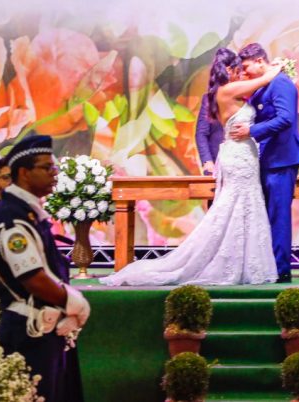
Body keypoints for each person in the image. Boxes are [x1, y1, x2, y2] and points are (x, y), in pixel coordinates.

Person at [99, 48, 280, 287]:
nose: (241, 73)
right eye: (238, 69)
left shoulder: (228, 92)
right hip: (238, 158)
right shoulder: (227, 91)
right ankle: (221, 263)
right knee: (232, 209)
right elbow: (265, 80)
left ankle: (244, 264)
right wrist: (277, 67)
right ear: (229, 70)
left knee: (245, 208)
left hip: (243, 156)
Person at [0, 135, 89, 402]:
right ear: (24, 173)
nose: (54, 173)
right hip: (28, 332)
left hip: (43, 329)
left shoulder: (26, 212)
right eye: (46, 167)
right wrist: (73, 302)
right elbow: (32, 278)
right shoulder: (11, 217)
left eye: (54, 167)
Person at [230, 43, 299, 283]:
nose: (244, 72)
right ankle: (268, 268)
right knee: (267, 215)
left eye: (246, 67)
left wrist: (252, 130)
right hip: (268, 158)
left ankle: (281, 271)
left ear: (260, 61)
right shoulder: (265, 84)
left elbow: (286, 118)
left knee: (278, 215)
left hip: (282, 159)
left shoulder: (281, 83)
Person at [195, 93, 225, 176]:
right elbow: (202, 133)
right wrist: (207, 161)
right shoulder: (211, 98)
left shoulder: (252, 95)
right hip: (217, 161)